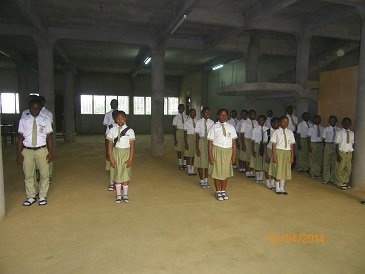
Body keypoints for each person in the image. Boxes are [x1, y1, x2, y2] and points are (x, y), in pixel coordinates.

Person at [17, 97, 53, 206]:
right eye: (32, 108)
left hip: (41, 150)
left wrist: (51, 153)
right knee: (28, 175)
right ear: (29, 108)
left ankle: (42, 196)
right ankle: (31, 196)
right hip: (27, 151)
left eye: (37, 109)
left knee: (44, 174)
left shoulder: (45, 120)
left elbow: (49, 138)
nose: (34, 110)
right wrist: (19, 154)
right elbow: (20, 139)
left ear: (40, 109)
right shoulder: (23, 120)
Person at [208, 109, 237, 201]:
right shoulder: (214, 127)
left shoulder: (231, 127)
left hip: (228, 152)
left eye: (225, 115)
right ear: (217, 116)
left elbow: (234, 142)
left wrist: (234, 155)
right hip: (217, 151)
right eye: (222, 115)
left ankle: (223, 191)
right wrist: (210, 156)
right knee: (217, 172)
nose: (224, 117)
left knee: (225, 172)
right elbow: (210, 143)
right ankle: (218, 191)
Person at [107, 111, 135, 203]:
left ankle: (125, 194)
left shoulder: (130, 131)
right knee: (118, 174)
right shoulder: (112, 130)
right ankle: (119, 195)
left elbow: (132, 146)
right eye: (118, 118)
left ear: (125, 119)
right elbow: (110, 145)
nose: (120, 120)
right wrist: (111, 158)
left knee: (126, 174)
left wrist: (130, 159)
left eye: (122, 118)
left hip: (126, 153)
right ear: (115, 119)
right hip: (116, 153)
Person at [269, 116, 295, 195]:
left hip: (287, 152)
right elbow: (273, 145)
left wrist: (292, 155)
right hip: (279, 152)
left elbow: (291, 145)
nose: (286, 123)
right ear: (280, 123)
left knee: (284, 170)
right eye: (284, 122)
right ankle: (277, 188)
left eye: (287, 122)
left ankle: (282, 188)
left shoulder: (290, 132)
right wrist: (274, 156)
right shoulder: (276, 132)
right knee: (278, 170)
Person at [195, 107, 214, 189]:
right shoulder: (199, 122)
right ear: (203, 113)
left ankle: (206, 180)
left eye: (209, 112)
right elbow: (197, 136)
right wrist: (197, 148)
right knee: (200, 162)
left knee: (207, 162)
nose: (207, 114)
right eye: (206, 112)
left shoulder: (212, 122)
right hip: (201, 142)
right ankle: (201, 180)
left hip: (209, 142)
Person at [335, 117, 354, 190]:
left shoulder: (352, 133)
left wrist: (353, 155)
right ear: (342, 123)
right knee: (340, 168)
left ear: (350, 124)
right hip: (341, 152)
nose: (347, 124)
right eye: (345, 122)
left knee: (348, 169)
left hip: (349, 153)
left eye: (348, 123)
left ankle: (345, 181)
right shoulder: (339, 133)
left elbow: (352, 144)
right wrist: (338, 155)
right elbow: (337, 144)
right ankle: (339, 182)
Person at [103, 99, 118, 190]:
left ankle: (116, 179)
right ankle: (111, 180)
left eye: (116, 103)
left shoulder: (120, 114)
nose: (115, 105)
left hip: (117, 140)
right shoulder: (107, 114)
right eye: (113, 103)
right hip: (109, 137)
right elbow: (105, 126)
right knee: (109, 155)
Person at [322, 115, 341, 184]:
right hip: (328, 145)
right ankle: (326, 178)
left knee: (334, 162)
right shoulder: (326, 129)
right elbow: (324, 139)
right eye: (331, 120)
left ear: (336, 121)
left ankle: (333, 178)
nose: (332, 121)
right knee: (326, 162)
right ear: (329, 121)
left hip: (335, 146)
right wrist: (326, 147)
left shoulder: (339, 130)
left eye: (334, 120)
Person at [240, 109, 257, 178]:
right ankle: (247, 171)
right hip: (246, 140)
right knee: (246, 157)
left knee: (252, 157)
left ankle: (251, 171)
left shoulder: (256, 122)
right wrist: (243, 144)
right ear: (249, 115)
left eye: (254, 115)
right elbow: (242, 134)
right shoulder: (245, 122)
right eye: (252, 115)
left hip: (253, 140)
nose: (253, 116)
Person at [250, 115, 267, 183]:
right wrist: (253, 150)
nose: (261, 122)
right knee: (257, 162)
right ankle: (257, 178)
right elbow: (253, 140)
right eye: (259, 120)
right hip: (257, 145)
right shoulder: (255, 129)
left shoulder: (267, 129)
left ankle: (261, 177)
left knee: (263, 162)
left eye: (262, 120)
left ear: (264, 121)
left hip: (264, 146)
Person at [263, 117, 279, 190]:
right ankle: (267, 182)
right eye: (276, 123)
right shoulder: (268, 132)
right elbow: (264, 144)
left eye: (279, 123)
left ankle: (272, 182)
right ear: (272, 124)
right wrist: (266, 155)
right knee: (267, 166)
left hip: (276, 151)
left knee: (273, 167)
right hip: (269, 150)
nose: (278, 125)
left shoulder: (279, 131)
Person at [307, 115, 324, 179]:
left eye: (319, 119)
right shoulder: (311, 128)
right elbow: (309, 138)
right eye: (316, 119)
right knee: (312, 158)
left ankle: (318, 172)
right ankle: (313, 172)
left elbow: (323, 138)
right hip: (313, 144)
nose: (317, 121)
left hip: (320, 144)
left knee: (319, 159)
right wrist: (309, 146)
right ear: (314, 120)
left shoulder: (322, 128)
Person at [173, 104, 189, 170]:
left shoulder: (187, 117)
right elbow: (174, 128)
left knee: (185, 147)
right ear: (178, 108)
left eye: (183, 108)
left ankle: (184, 163)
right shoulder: (176, 118)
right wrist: (175, 139)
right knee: (179, 148)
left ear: (184, 108)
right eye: (180, 108)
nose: (182, 109)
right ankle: (180, 163)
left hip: (185, 132)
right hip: (179, 132)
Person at [184, 108, 197, 176]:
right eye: (192, 113)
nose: (194, 114)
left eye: (195, 113)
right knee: (189, 155)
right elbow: (185, 133)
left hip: (195, 138)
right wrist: (186, 142)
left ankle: (192, 169)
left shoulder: (197, 122)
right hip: (189, 137)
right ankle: (189, 169)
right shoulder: (187, 122)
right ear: (189, 113)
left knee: (194, 155)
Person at [237, 109, 248, 173]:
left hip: (246, 138)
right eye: (242, 114)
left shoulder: (248, 122)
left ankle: (244, 167)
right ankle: (241, 166)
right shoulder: (239, 122)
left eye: (245, 114)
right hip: (241, 138)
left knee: (245, 154)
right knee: (241, 153)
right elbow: (238, 132)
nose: (243, 115)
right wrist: (238, 142)